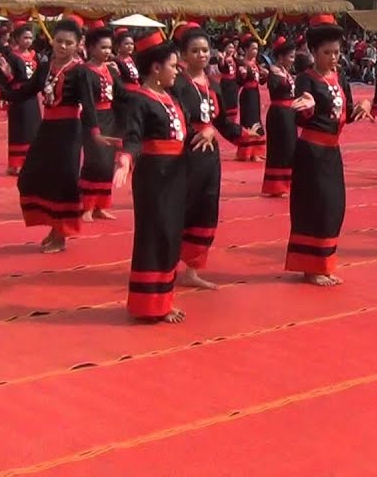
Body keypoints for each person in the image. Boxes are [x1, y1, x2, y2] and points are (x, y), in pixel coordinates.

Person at [285, 15, 372, 285]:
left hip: (332, 153)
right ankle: (310, 267)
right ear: (313, 52)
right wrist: (308, 106)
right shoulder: (305, 79)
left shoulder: (340, 77)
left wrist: (363, 107)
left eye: (337, 52)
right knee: (315, 206)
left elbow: (344, 113)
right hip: (312, 152)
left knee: (335, 206)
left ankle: (324, 262)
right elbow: (300, 117)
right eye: (327, 53)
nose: (333, 58)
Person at [10, 19, 107, 253]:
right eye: (59, 41)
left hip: (69, 130)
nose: (62, 46)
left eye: (69, 43)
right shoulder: (46, 66)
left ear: (78, 45)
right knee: (30, 177)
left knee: (63, 182)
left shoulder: (81, 71)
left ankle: (60, 233)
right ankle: (53, 227)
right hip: (47, 128)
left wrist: (95, 132)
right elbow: (27, 90)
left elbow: (89, 105)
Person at [112, 32, 189, 324]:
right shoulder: (139, 100)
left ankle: (164, 299)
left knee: (170, 235)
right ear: (156, 68)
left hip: (176, 174)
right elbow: (133, 137)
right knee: (153, 235)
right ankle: (148, 304)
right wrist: (126, 160)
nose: (177, 70)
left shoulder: (171, 96)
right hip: (154, 177)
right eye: (172, 65)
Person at [173, 24, 254, 289]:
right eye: (194, 51)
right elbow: (175, 118)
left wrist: (244, 134)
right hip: (185, 153)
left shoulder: (214, 85)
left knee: (206, 209)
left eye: (205, 50)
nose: (201, 55)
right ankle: (167, 265)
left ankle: (192, 270)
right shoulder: (177, 84)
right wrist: (201, 131)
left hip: (209, 158)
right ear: (184, 55)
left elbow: (221, 123)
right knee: (181, 207)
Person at [78, 27, 129, 221]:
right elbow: (88, 102)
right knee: (94, 162)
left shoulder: (110, 69)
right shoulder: (85, 71)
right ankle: (87, 206)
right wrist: (94, 128)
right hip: (93, 119)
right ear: (91, 48)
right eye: (103, 47)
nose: (108, 52)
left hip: (110, 118)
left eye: (110, 47)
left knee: (107, 163)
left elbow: (121, 94)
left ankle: (101, 205)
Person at [0, 23, 41, 176]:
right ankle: (14, 164)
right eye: (25, 38)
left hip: (32, 97)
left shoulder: (34, 55)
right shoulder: (12, 56)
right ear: (17, 39)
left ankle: (29, 161)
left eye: (30, 38)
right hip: (18, 97)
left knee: (33, 129)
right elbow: (7, 79)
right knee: (19, 130)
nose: (28, 41)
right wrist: (8, 76)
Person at [260, 36, 298, 197]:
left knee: (290, 148)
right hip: (279, 114)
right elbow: (273, 87)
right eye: (290, 56)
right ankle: (276, 186)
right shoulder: (274, 73)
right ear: (281, 57)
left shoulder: (285, 72)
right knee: (279, 149)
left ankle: (287, 183)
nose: (292, 60)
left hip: (289, 113)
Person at [235, 35, 267, 162]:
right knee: (248, 120)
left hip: (255, 93)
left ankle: (256, 152)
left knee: (256, 119)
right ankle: (246, 152)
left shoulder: (255, 64)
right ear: (246, 49)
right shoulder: (243, 63)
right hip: (247, 94)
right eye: (253, 48)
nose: (255, 51)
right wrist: (243, 74)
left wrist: (265, 75)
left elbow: (261, 81)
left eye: (257, 49)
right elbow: (239, 80)